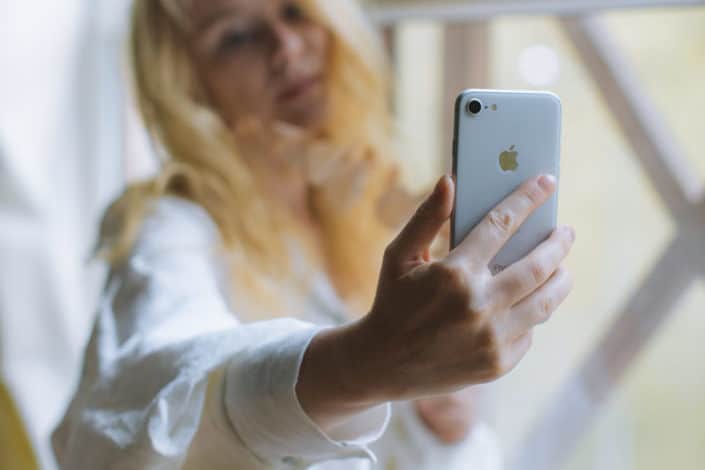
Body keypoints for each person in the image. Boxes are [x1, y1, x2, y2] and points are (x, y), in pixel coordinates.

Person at [52, 0, 576, 468]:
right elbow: (136, 404)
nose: (286, 47)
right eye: (235, 36)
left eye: (295, 11)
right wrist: (366, 362)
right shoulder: (169, 227)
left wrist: (442, 428)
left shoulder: (365, 215)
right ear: (186, 81)